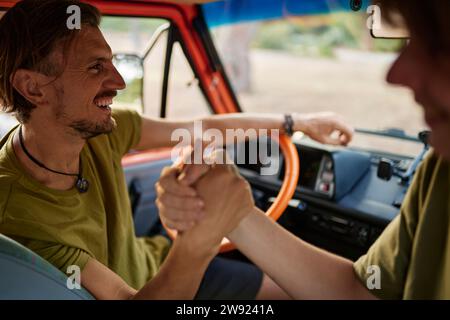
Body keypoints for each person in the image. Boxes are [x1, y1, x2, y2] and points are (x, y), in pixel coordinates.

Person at [0, 0, 353, 299]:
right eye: (95, 67)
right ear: (33, 87)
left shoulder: (99, 130)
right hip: (159, 286)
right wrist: (200, 239)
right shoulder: (17, 215)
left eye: (112, 62)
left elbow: (201, 128)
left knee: (290, 289)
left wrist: (297, 122)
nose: (119, 82)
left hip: (161, 259)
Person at [156, 0, 450, 299]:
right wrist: (232, 211)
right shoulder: (439, 171)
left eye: (437, 43)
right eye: (411, 39)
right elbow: (359, 292)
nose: (395, 73)